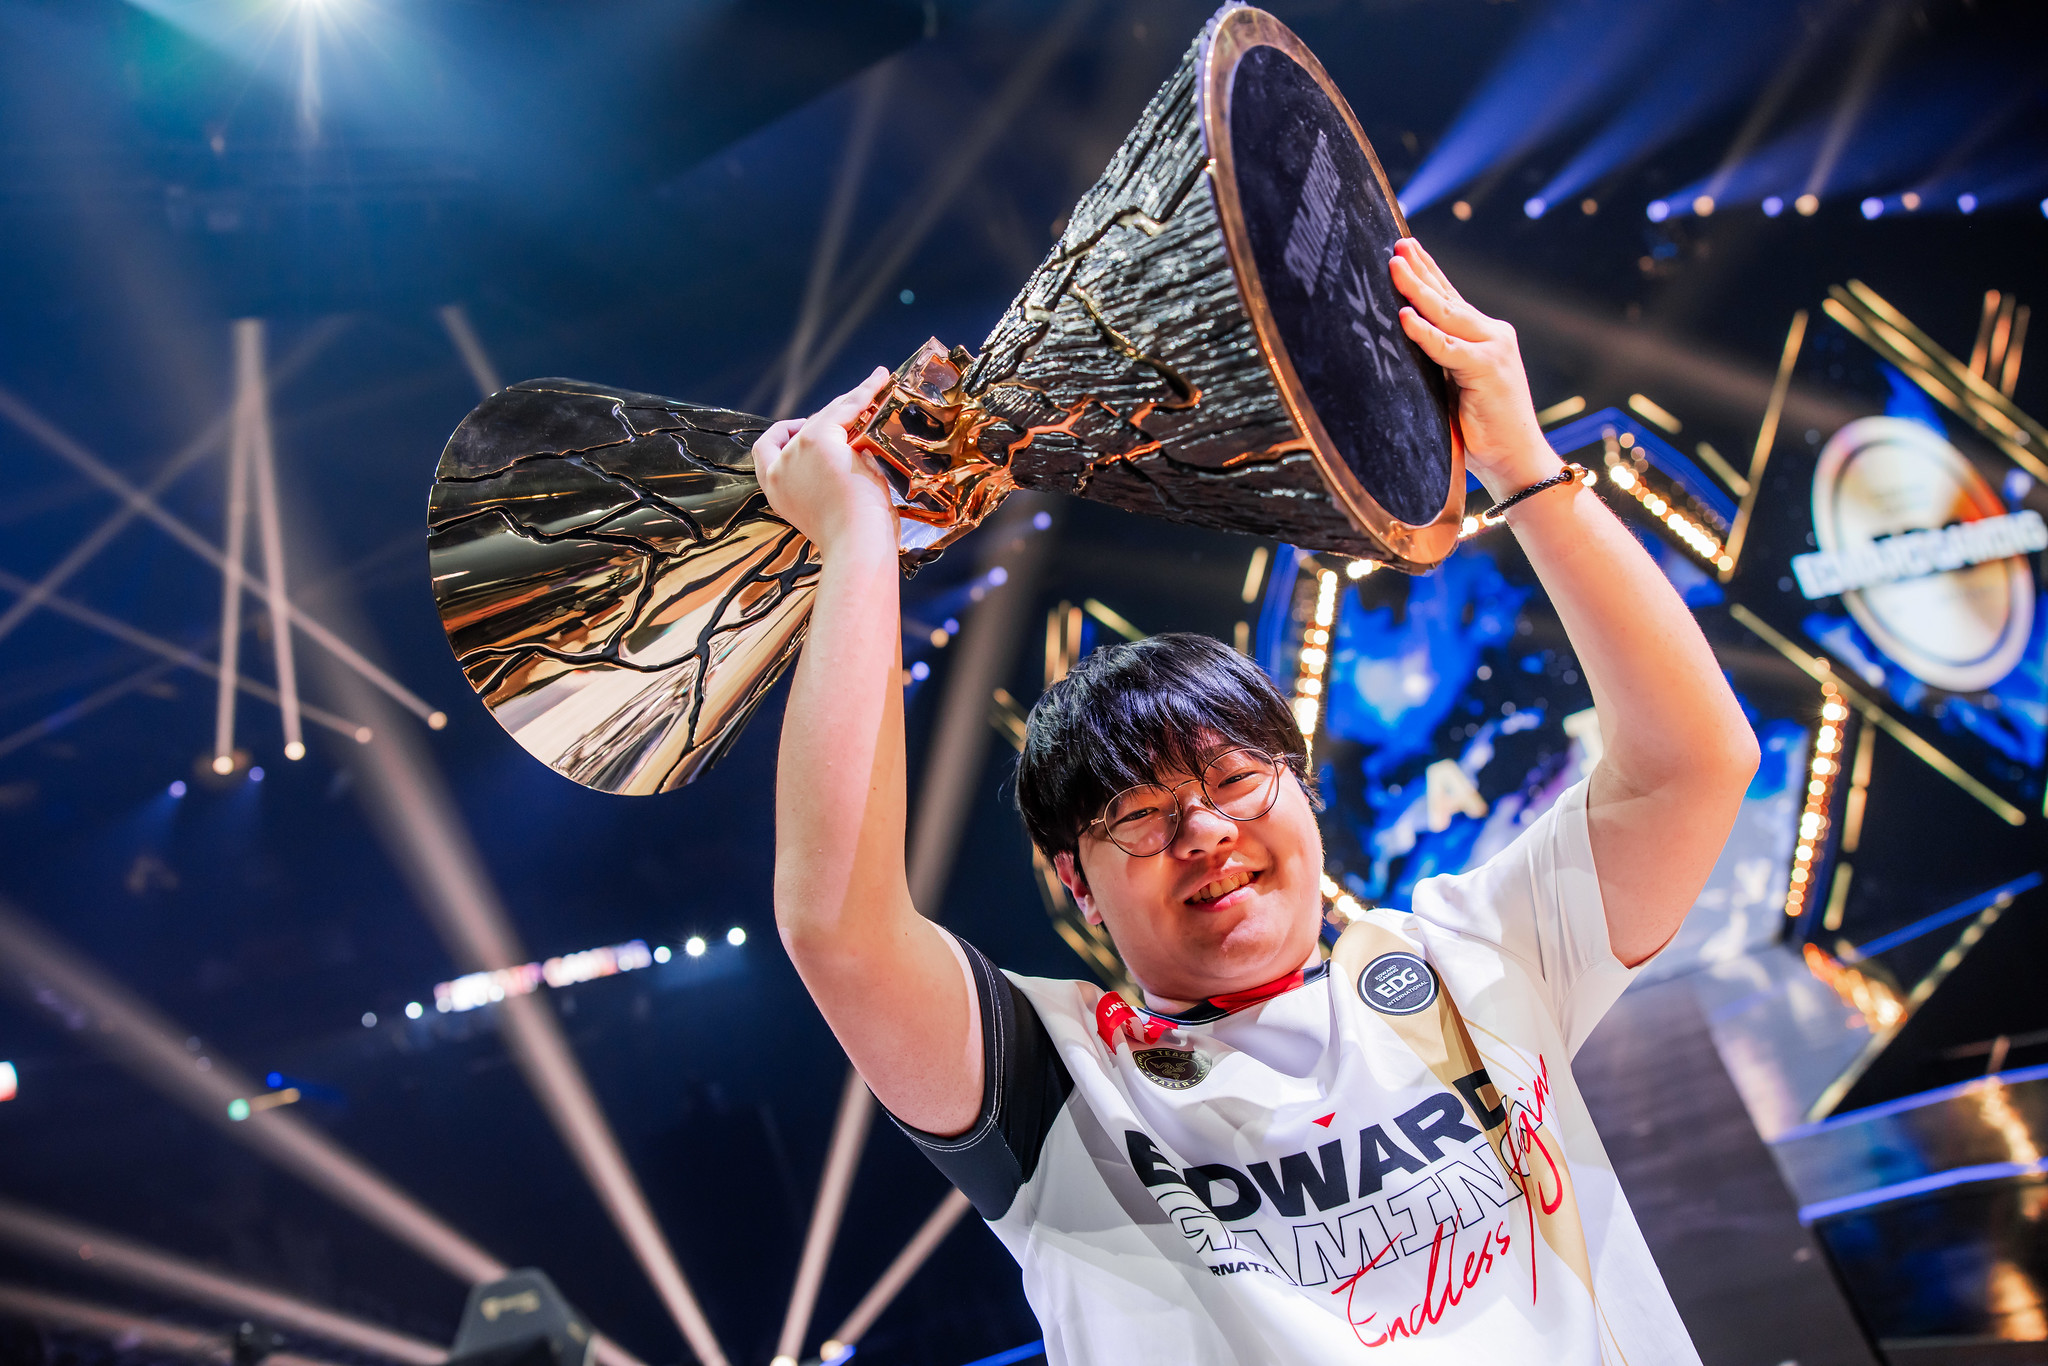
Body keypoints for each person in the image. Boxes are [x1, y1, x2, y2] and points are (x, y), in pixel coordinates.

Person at [753, 237, 1758, 1363]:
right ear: (1073, 879)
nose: (1205, 830)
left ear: (1303, 792)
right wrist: (857, 535)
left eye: (1234, 778)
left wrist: (1522, 467)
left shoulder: (1472, 962)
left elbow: (1691, 764)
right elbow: (838, 927)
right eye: (1139, 815)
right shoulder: (1058, 1090)